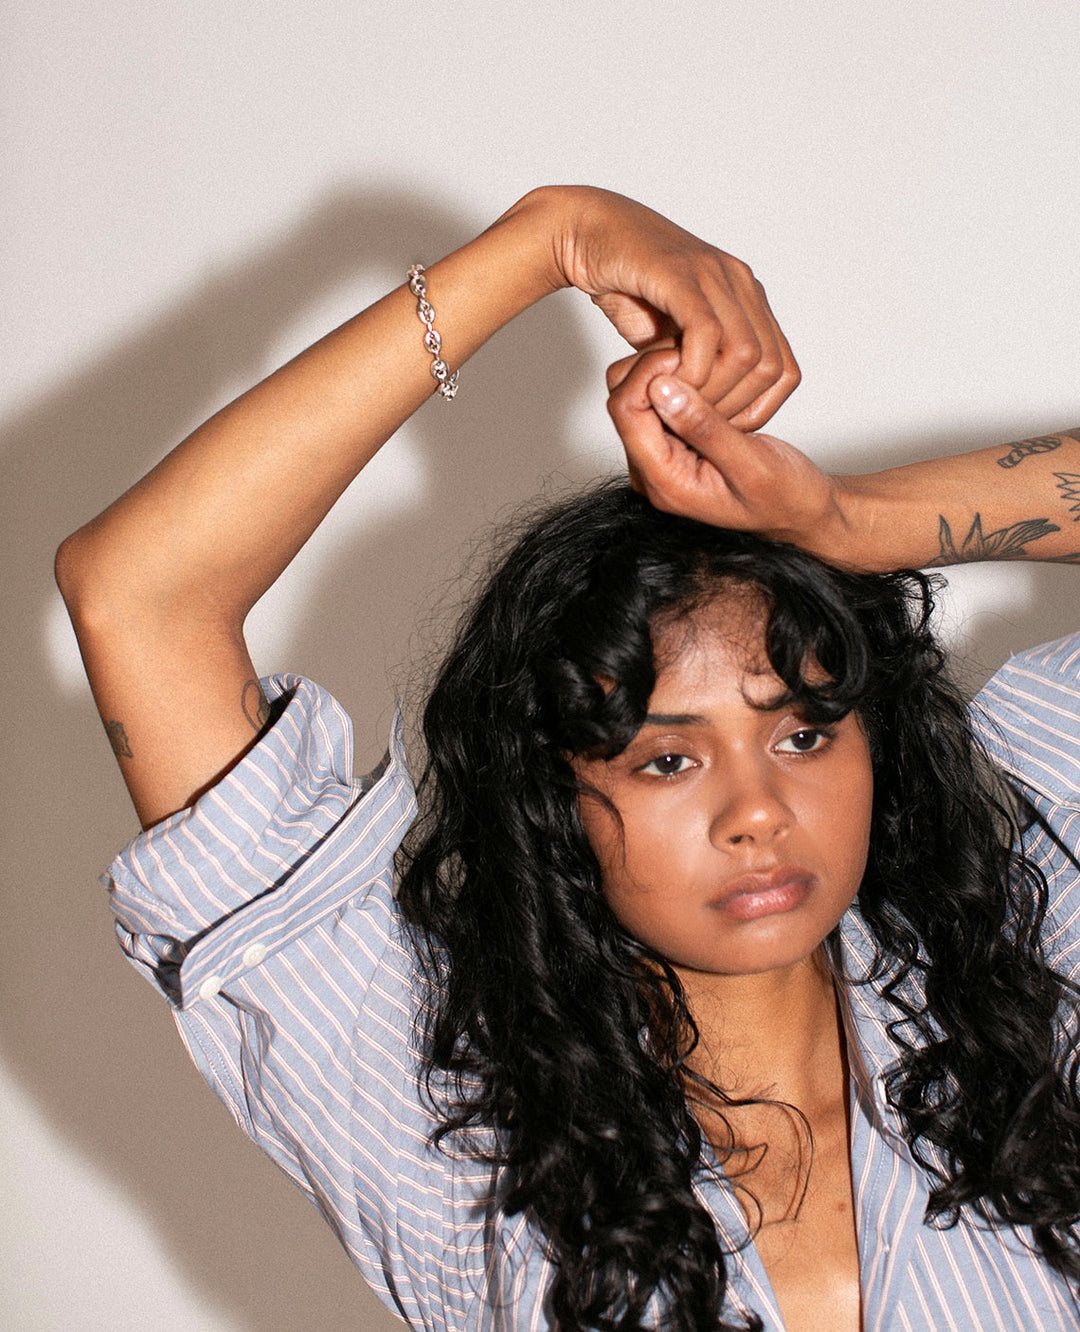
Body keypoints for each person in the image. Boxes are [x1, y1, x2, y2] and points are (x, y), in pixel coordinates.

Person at [56, 185, 1080, 1332]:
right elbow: (137, 597)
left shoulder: (1033, 975)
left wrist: (852, 525)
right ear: (555, 796)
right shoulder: (448, 1123)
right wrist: (547, 240)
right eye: (666, 760)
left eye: (802, 734)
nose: (757, 811)